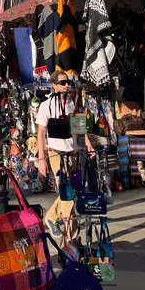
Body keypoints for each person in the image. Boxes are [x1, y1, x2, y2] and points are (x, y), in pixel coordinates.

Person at [36, 70, 95, 244]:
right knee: (67, 192)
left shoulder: (72, 103)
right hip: (56, 153)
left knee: (72, 190)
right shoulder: (46, 106)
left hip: (73, 151)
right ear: (54, 85)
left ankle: (51, 216)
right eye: (62, 83)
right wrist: (42, 159)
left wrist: (88, 144)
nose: (66, 85)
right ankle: (71, 238)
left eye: (67, 82)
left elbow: (79, 126)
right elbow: (40, 133)